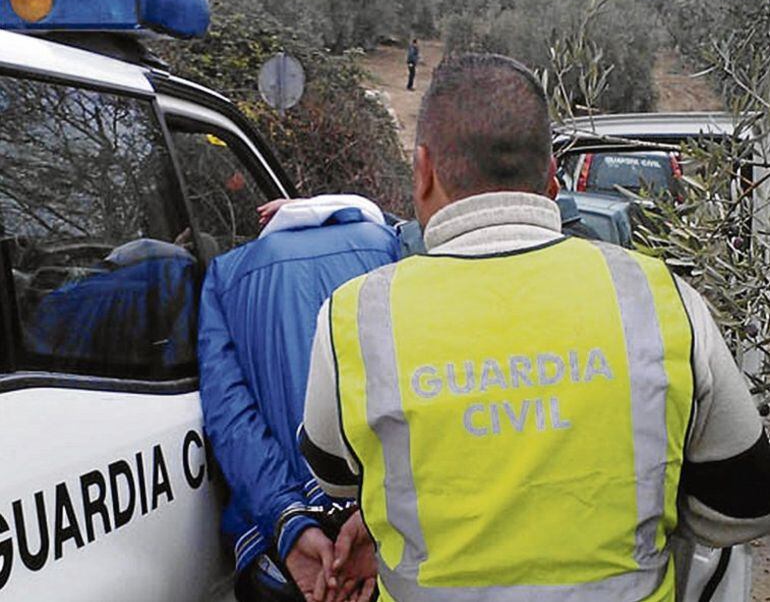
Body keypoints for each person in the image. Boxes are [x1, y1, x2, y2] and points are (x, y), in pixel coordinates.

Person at [300, 54, 770, 601]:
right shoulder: (661, 299)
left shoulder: (356, 315)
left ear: (424, 169)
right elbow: (748, 501)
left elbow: (334, 473)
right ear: (551, 179)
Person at [198, 195, 400, 602]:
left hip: (284, 559)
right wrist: (372, 517)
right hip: (387, 539)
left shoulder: (227, 274)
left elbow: (231, 416)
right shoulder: (391, 246)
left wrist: (289, 523)